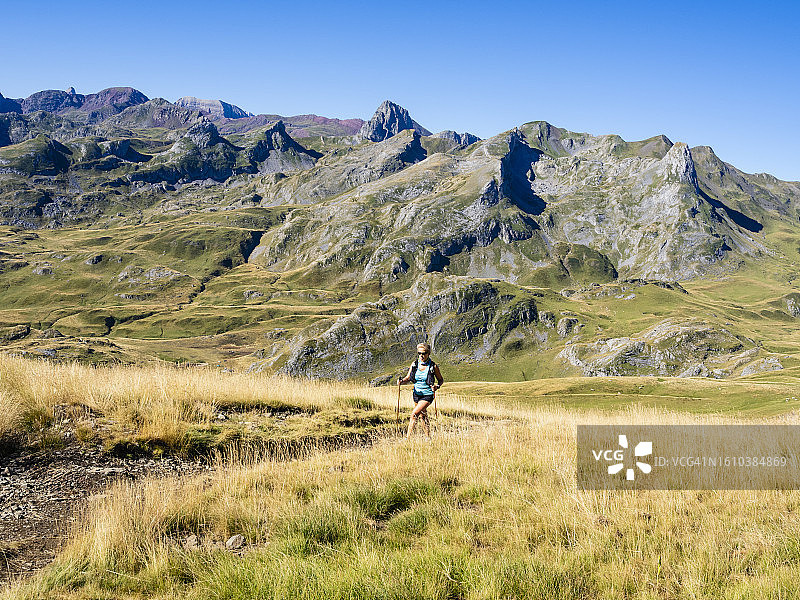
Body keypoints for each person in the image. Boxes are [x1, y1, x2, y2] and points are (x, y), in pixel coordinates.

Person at [398, 343, 444, 439]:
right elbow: (408, 378)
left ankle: (407, 439)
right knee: (423, 415)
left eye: (424, 353)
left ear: (428, 353)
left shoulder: (433, 366)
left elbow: (440, 380)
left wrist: (437, 386)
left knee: (414, 414)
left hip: (427, 394)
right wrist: (401, 381)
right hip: (416, 394)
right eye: (419, 353)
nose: (421, 355)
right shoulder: (414, 364)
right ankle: (428, 438)